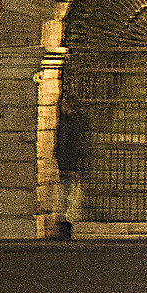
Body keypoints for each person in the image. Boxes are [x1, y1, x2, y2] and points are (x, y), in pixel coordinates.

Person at [53, 100, 89, 238]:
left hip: (67, 166)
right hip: (68, 166)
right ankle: (65, 222)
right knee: (66, 195)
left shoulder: (68, 124)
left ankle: (65, 223)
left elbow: (69, 147)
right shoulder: (72, 123)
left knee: (66, 195)